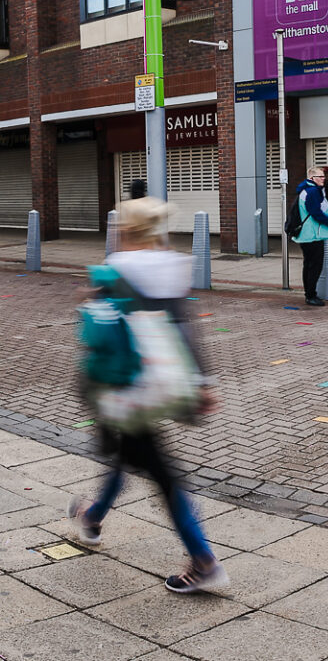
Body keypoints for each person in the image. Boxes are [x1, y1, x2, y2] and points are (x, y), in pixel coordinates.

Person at [68, 197, 227, 594]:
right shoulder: (173, 266)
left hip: (123, 386)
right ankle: (92, 518)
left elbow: (97, 336)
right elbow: (187, 328)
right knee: (128, 452)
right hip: (163, 383)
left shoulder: (116, 268)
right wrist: (203, 382)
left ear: (124, 228)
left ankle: (203, 559)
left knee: (160, 472)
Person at [291, 166, 328, 306]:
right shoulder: (312, 192)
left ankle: (310, 293)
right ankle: (311, 295)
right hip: (312, 235)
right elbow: (315, 213)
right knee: (314, 266)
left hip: (309, 234)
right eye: (320, 176)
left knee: (309, 264)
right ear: (312, 178)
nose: (323, 179)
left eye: (323, 176)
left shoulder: (309, 190)